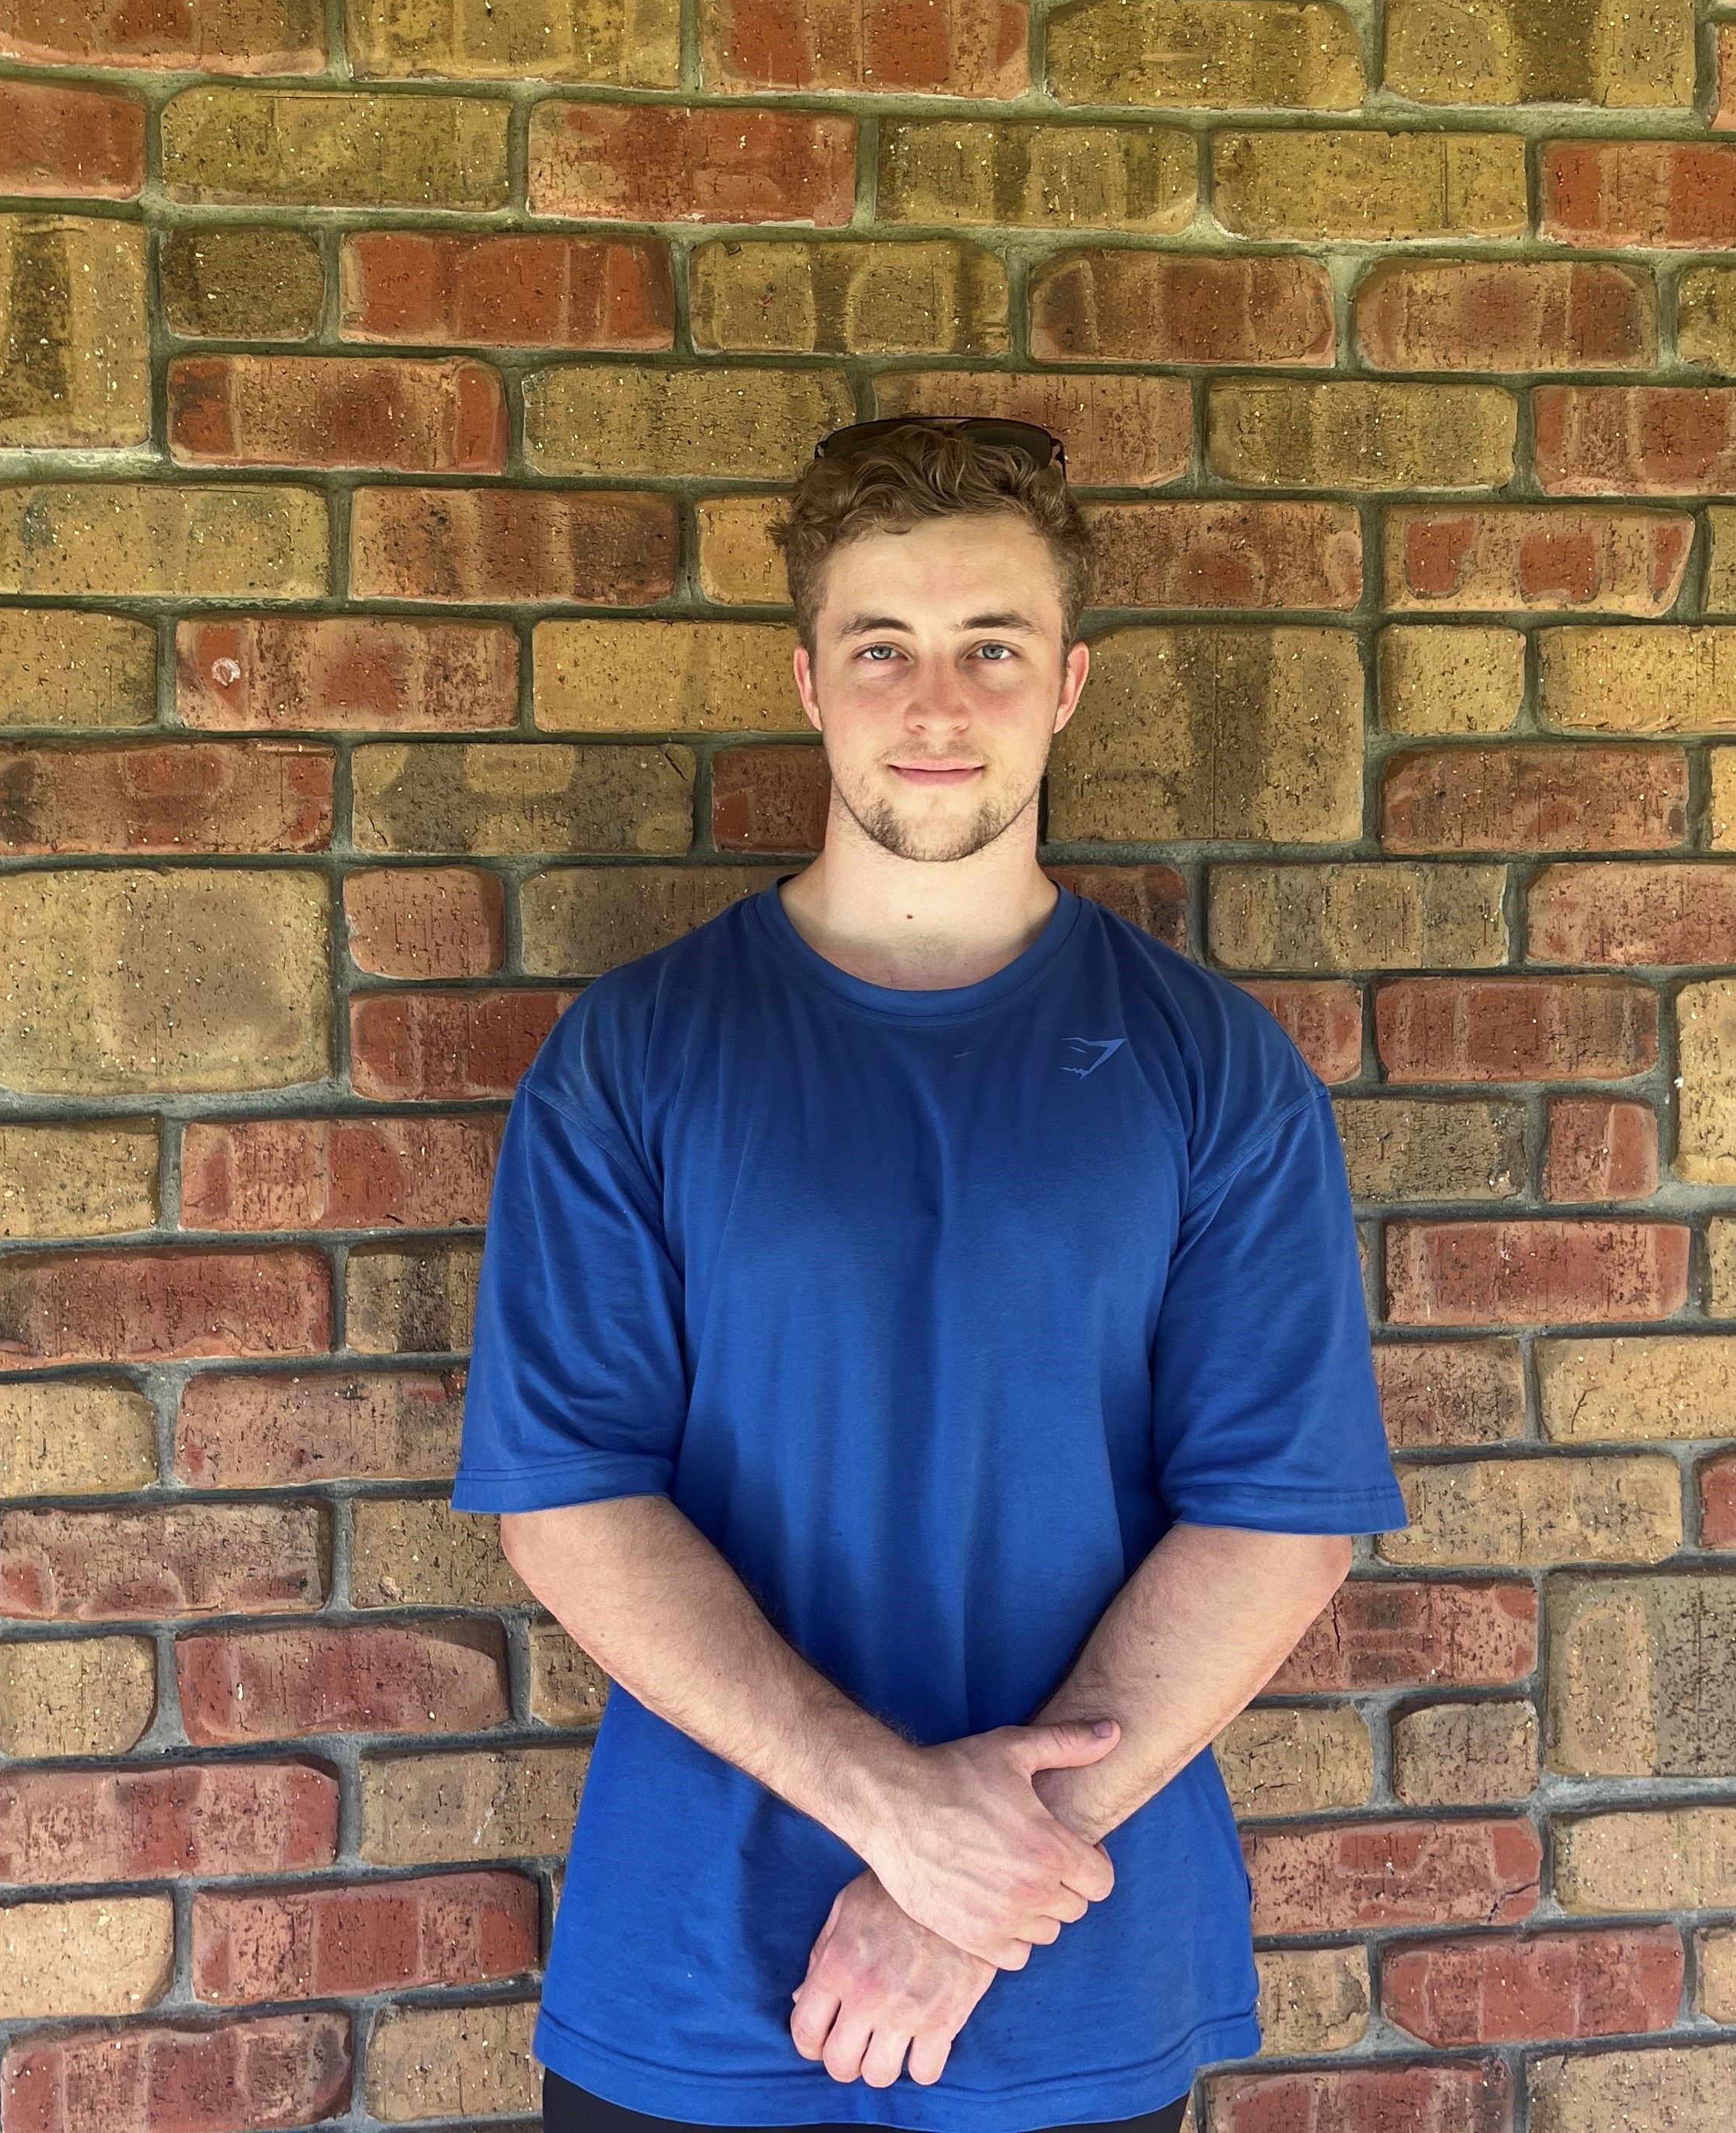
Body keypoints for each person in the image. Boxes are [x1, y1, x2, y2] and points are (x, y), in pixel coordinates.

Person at [449, 416, 1410, 2133]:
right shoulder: (637, 1056)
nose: (937, 703)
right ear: (809, 681)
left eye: (994, 647)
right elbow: (570, 1497)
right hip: (694, 1967)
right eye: (882, 647)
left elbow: (1281, 1517)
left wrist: (970, 1893)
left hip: (1071, 1977)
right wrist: (900, 1821)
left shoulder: (1211, 1068)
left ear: (1070, 685)